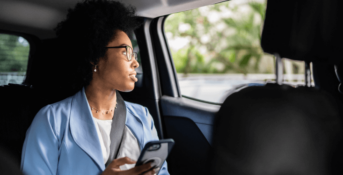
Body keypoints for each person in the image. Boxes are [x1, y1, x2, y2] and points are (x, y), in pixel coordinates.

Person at [20, 0, 169, 174]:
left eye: (134, 54)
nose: (135, 62)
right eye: (125, 52)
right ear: (95, 56)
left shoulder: (142, 116)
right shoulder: (51, 119)